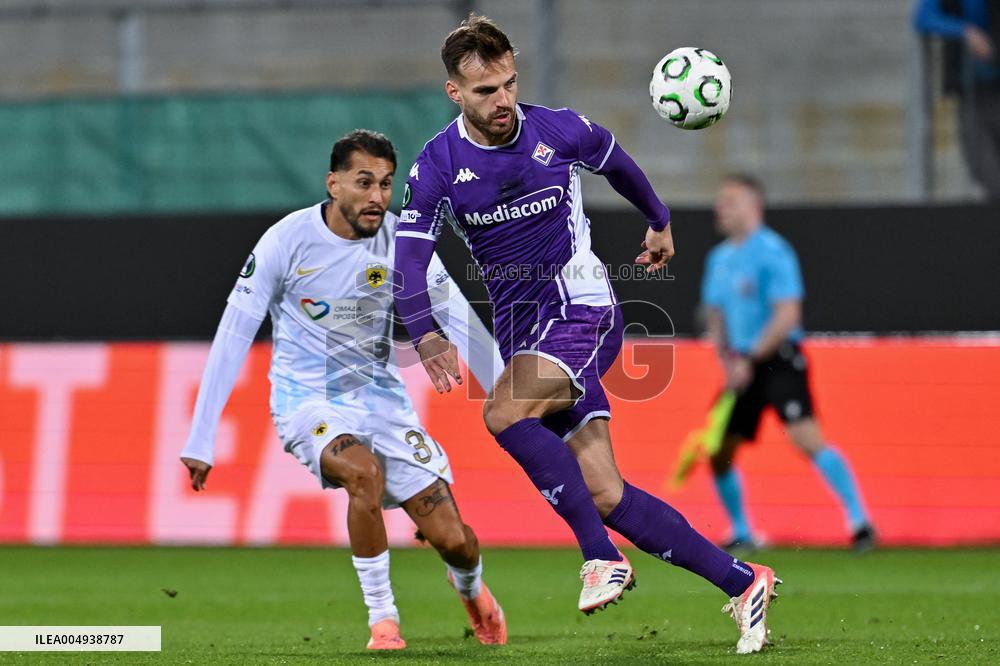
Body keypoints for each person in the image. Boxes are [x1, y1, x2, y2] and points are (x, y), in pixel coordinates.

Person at [393, 14, 780, 654]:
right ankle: (743, 583)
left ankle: (600, 558)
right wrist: (425, 332)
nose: (503, 101)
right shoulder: (437, 166)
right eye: (486, 91)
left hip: (583, 310)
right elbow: (407, 261)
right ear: (454, 94)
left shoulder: (559, 129)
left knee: (503, 411)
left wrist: (658, 219)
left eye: (509, 84)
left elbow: (618, 163)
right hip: (524, 336)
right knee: (604, 491)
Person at [179, 129, 507, 650]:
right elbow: (234, 332)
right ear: (333, 184)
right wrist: (201, 436)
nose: (377, 196)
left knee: (455, 541)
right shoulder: (285, 241)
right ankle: (384, 620)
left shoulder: (404, 243)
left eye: (385, 183)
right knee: (363, 475)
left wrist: (510, 397)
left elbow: (460, 321)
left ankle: (470, 590)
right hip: (306, 399)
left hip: (383, 402)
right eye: (363, 182)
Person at [702, 174, 876, 553]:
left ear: (752, 205)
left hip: (777, 361)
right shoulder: (718, 259)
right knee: (717, 450)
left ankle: (860, 522)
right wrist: (728, 362)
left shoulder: (773, 251)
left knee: (806, 437)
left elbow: (787, 315)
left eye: (729, 201)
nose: (721, 209)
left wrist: (750, 357)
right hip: (740, 369)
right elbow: (715, 317)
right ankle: (742, 530)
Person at [914, 0, 1000, 199]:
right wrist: (965, 32)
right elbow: (923, 18)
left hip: (996, 87)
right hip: (971, 92)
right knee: (983, 163)